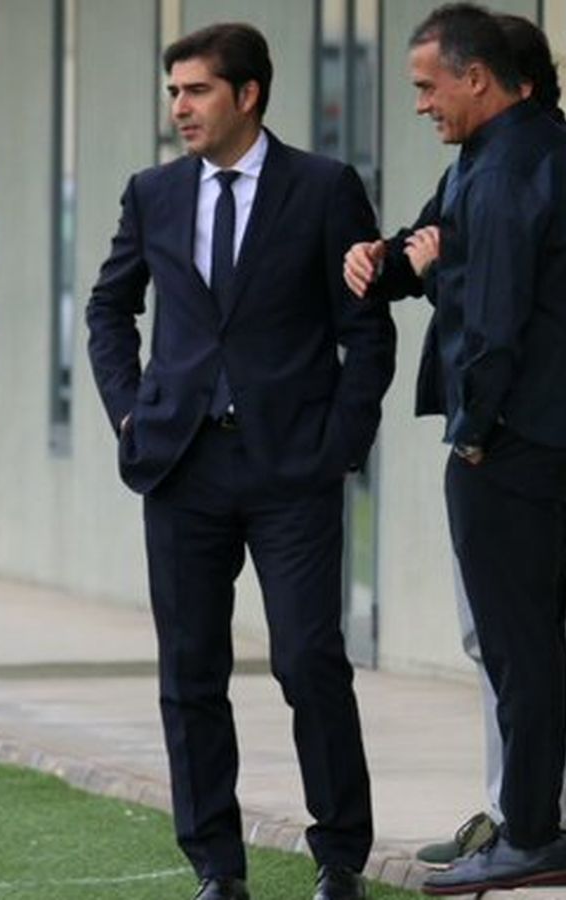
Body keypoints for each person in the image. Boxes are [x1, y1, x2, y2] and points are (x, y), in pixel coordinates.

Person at [85, 22, 395, 900]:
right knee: (190, 674)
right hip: (181, 467)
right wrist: (126, 413)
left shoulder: (326, 189)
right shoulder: (153, 193)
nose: (179, 107)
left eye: (196, 91)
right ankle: (217, 868)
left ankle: (340, 856)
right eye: (174, 92)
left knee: (308, 659)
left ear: (247, 94)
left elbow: (365, 331)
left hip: (292, 470)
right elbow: (110, 309)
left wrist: (342, 441)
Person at [343, 4, 566, 894]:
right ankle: (540, 818)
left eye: (428, 84)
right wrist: (387, 264)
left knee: (514, 640)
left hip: (515, 438)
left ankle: (532, 833)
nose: (421, 102)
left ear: (479, 78)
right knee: (521, 635)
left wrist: (472, 435)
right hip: (556, 429)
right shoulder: (517, 160)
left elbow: (493, 321)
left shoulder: (507, 174)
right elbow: (424, 255)